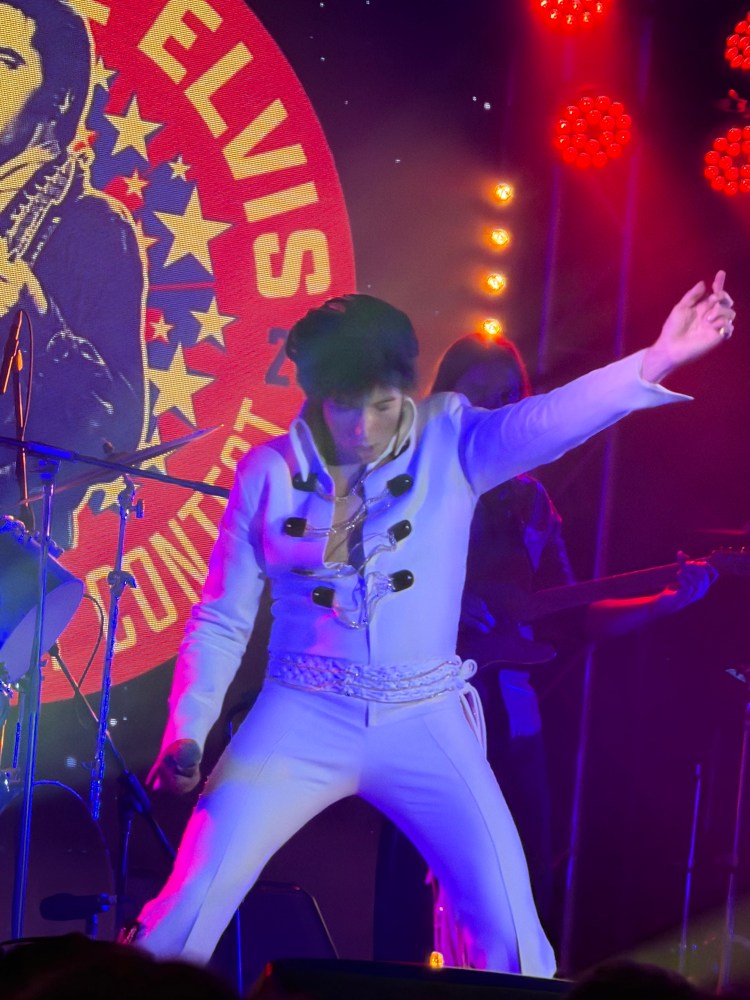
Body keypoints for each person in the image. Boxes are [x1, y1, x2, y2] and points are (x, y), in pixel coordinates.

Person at [131, 275, 734, 975]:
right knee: (185, 907)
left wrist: (659, 357)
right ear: (314, 393)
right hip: (300, 711)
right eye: (344, 406)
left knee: (512, 937)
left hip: (424, 714)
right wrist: (187, 729)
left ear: (404, 391)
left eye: (381, 405)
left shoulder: (449, 434)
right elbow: (220, 617)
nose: (363, 427)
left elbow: (547, 422)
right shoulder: (267, 472)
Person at [373, 333, 719, 965]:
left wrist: (663, 602)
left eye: (510, 395)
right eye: (481, 393)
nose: (498, 406)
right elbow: (357, 582)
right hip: (419, 708)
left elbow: (574, 619)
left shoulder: (532, 502)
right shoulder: (403, 480)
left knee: (523, 878)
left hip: (512, 722)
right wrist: (442, 602)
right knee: (412, 886)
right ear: (446, 397)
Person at [0, 0, 147, 546]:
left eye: (5, 61)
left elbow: (118, 433)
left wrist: (36, 313)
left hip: (18, 547)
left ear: (58, 93)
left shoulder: (93, 226)